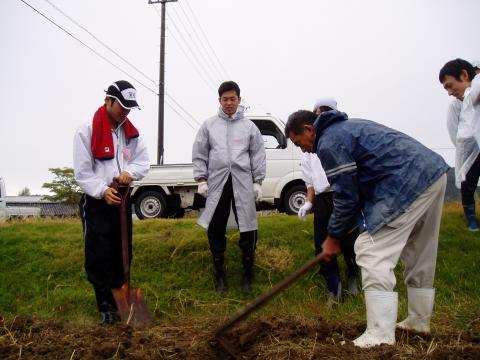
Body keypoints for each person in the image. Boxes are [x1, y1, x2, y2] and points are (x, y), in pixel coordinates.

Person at [285, 109, 449, 348]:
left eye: (300, 143)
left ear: (309, 129)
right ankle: (418, 321)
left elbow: (345, 196)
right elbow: (358, 188)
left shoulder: (329, 141)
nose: (303, 149)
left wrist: (333, 237)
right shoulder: (347, 128)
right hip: (431, 173)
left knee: (371, 251)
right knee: (419, 250)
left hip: (405, 183)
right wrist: (351, 225)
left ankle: (380, 333)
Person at [73, 80, 149, 324]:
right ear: (108, 101)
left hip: (122, 199)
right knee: (99, 252)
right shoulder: (86, 130)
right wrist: (103, 190)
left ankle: (121, 301)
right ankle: (104, 304)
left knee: (123, 250)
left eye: (129, 108)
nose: (125, 113)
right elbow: (83, 173)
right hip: (97, 202)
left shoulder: (130, 133)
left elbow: (142, 161)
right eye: (122, 107)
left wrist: (130, 172)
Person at [192, 81, 266, 293]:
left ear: (239, 100)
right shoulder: (209, 125)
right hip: (217, 182)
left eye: (232, 99)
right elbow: (200, 152)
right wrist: (201, 180)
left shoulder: (249, 127)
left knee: (248, 225)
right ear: (219, 101)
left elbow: (257, 154)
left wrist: (257, 181)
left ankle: (247, 273)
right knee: (216, 225)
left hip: (242, 182)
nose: (229, 103)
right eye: (225, 99)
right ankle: (220, 275)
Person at [297, 97, 359, 306]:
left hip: (341, 195)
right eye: (317, 112)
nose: (320, 116)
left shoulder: (338, 138)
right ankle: (333, 287)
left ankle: (352, 275)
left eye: (325, 112)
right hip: (323, 200)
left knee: (349, 241)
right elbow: (310, 182)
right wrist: (308, 202)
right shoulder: (308, 150)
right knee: (322, 245)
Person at [440, 59, 480, 231]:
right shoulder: (456, 105)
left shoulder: (475, 93)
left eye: (450, 86)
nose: (449, 92)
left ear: (465, 75)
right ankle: (471, 218)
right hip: (469, 151)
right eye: (446, 88)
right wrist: (464, 145)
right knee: (468, 183)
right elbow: (452, 130)